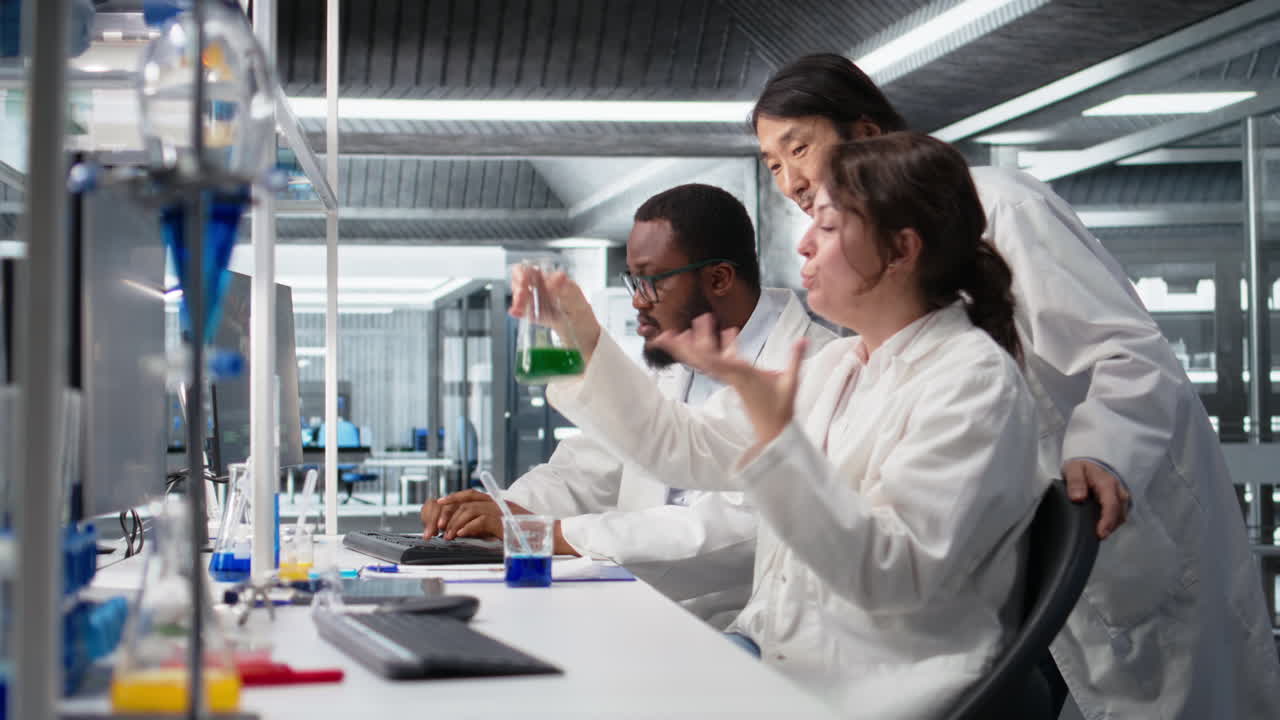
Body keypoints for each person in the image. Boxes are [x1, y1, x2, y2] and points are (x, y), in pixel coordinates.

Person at [751, 53, 1280, 718]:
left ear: (862, 131)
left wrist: (1103, 448)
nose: (790, 179)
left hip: (1115, 519)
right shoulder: (869, 266)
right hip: (1011, 547)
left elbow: (1126, 350)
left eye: (798, 147)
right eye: (772, 163)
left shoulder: (997, 203)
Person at [519, 133, 1045, 718]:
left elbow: (892, 575)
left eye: (826, 225)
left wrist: (779, 449)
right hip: (773, 655)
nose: (803, 246)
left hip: (863, 691)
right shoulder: (839, 367)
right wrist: (584, 340)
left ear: (900, 251)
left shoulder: (972, 382)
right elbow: (682, 446)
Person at [420, 183, 834, 628]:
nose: (638, 300)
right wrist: (500, 510)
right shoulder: (674, 363)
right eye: (633, 281)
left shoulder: (812, 366)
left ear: (718, 279)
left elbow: (732, 531)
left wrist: (549, 533)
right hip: (633, 607)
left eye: (651, 282)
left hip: (731, 626)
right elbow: (589, 466)